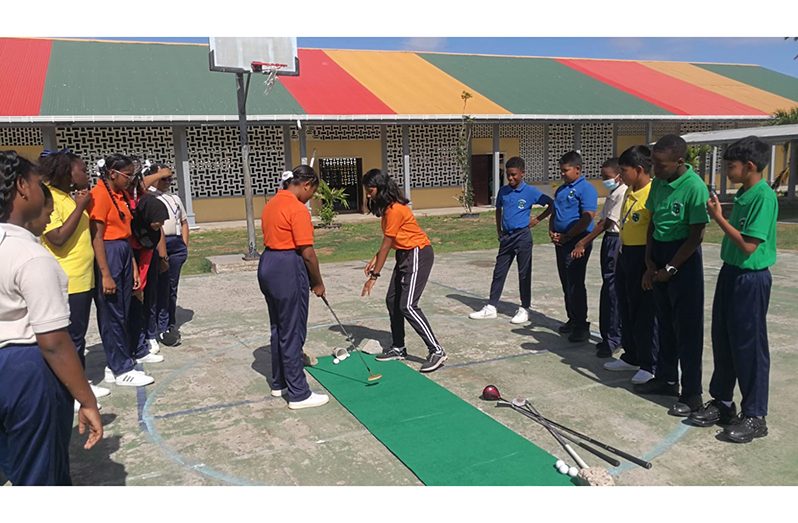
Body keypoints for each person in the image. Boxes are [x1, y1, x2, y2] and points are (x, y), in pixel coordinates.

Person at [0, 150, 102, 485]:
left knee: (15, 462)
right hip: (25, 370)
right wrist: (86, 399)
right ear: (21, 188)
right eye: (34, 181)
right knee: (41, 474)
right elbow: (55, 343)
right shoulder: (31, 257)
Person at [688, 136, 778, 443]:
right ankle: (724, 402)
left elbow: (749, 245)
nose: (727, 171)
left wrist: (719, 219)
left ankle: (755, 415)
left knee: (749, 347)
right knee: (723, 338)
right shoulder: (744, 193)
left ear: (750, 166)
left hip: (750, 278)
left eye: (731, 166)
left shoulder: (763, 197)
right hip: (731, 273)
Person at [636, 135, 709, 417]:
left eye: (661, 165)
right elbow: (652, 223)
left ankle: (692, 394)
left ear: (680, 162)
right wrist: (649, 263)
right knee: (664, 322)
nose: (656, 170)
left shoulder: (694, 187)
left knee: (687, 329)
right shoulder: (659, 184)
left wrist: (672, 268)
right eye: (653, 164)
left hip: (684, 259)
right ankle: (666, 379)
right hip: (659, 256)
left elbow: (696, 235)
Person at [39, 150, 112, 406]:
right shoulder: (50, 199)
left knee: (78, 335)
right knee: (71, 338)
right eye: (82, 169)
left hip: (84, 278)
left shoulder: (68, 197)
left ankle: (79, 384)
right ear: (68, 172)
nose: (86, 173)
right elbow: (57, 238)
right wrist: (81, 206)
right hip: (68, 280)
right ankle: (72, 393)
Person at [361, 169, 447, 372]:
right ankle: (398, 347)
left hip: (418, 253)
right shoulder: (389, 210)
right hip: (404, 254)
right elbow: (390, 241)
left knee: (407, 305)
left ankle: (436, 350)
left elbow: (386, 243)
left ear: (380, 188)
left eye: (370, 189)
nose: (367, 194)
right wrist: (375, 258)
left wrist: (374, 277)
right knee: (393, 301)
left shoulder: (396, 210)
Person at [258, 166, 329, 409]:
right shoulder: (297, 209)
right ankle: (299, 393)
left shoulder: (271, 204)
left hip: (268, 263)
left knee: (278, 326)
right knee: (293, 330)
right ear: (306, 184)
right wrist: (317, 282)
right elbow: (307, 252)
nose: (311, 197)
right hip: (287, 266)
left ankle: (280, 383)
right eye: (313, 192)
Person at [89, 155, 155, 387]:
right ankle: (120, 368)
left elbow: (125, 234)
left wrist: (134, 267)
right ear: (113, 174)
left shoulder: (119, 196)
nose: (130, 179)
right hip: (109, 252)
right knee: (112, 313)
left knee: (124, 309)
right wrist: (105, 273)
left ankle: (119, 361)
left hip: (123, 251)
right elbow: (97, 237)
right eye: (127, 175)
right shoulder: (99, 196)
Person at [469, 157, 553, 324]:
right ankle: (491, 306)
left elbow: (551, 204)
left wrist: (537, 220)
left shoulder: (530, 192)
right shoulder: (503, 191)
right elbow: (499, 209)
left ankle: (524, 308)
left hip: (522, 237)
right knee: (499, 272)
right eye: (508, 175)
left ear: (522, 173)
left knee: (524, 273)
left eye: (514, 175)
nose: (511, 178)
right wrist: (499, 230)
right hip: (506, 237)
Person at [602, 146, 659, 386]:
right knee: (626, 307)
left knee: (646, 314)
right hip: (625, 253)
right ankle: (631, 355)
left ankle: (650, 364)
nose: (620, 176)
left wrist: (649, 265)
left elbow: (653, 230)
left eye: (624, 171)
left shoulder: (653, 192)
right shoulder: (629, 191)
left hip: (644, 257)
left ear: (639, 170)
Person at [570, 158, 626, 357]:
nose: (604, 180)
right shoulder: (614, 192)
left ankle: (613, 339)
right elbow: (602, 219)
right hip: (610, 240)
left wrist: (583, 241)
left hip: (615, 239)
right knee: (608, 288)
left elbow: (606, 223)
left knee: (612, 290)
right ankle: (608, 336)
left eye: (607, 177)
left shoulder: (622, 193)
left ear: (619, 174)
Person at [549, 151, 598, 343]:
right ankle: (572, 318)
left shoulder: (586, 189)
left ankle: (581, 325)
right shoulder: (562, 189)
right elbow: (555, 212)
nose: (562, 174)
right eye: (560, 170)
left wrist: (570, 235)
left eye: (565, 170)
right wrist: (552, 231)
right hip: (561, 241)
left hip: (577, 242)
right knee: (565, 282)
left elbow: (588, 217)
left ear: (577, 169)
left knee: (576, 283)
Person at [145, 164, 189, 346]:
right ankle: (153, 326)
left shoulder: (174, 198)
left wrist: (184, 245)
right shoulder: (147, 195)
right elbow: (140, 186)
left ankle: (169, 323)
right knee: (155, 288)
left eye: (170, 178)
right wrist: (157, 175)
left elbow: (184, 221)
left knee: (171, 287)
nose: (168, 181)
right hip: (157, 244)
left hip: (175, 244)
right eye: (164, 178)